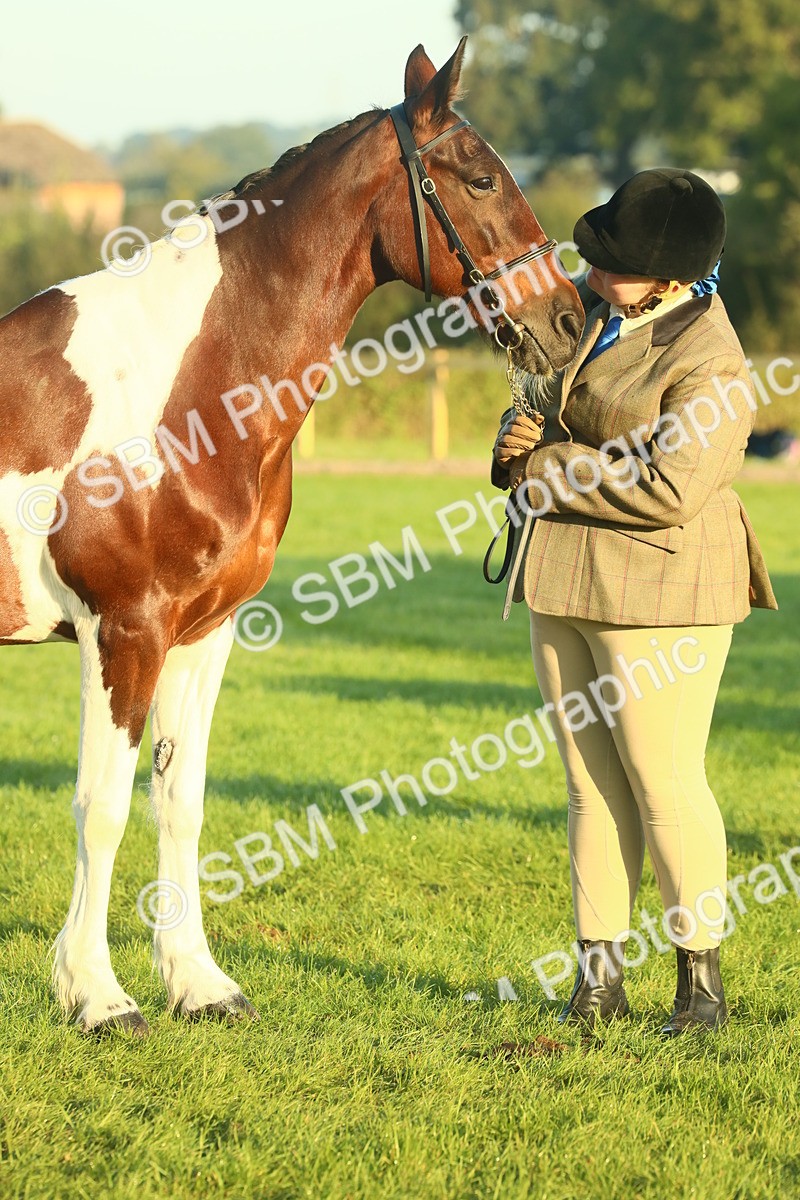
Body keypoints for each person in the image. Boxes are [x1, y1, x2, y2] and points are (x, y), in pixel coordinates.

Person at [490, 168, 778, 1036]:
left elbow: (667, 488)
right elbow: (546, 403)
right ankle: (598, 983)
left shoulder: (714, 363)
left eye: (608, 260)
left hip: (664, 589)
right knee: (588, 786)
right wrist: (516, 436)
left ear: (673, 278)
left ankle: (701, 992)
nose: (589, 268)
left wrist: (542, 469)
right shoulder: (594, 314)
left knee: (663, 782)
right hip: (565, 575)